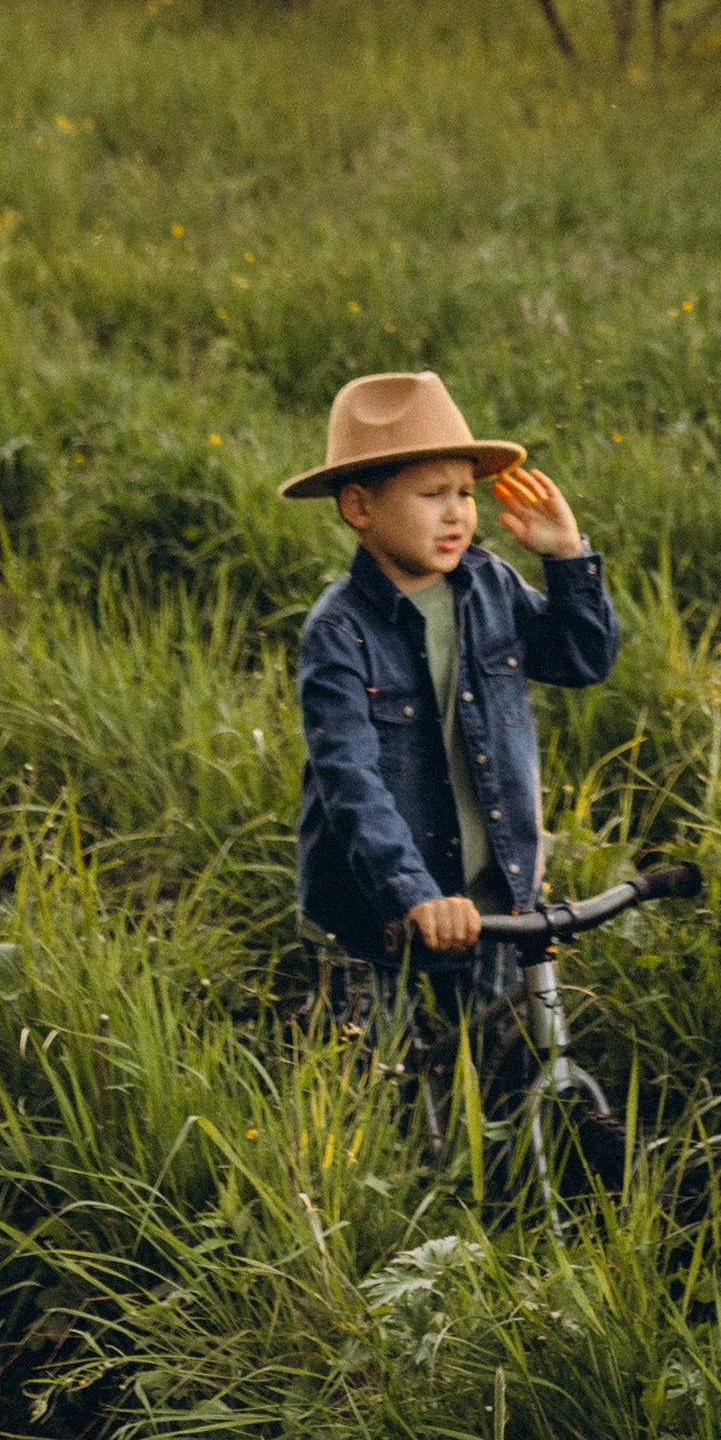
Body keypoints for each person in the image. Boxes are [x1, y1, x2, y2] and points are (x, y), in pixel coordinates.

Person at [282, 368, 618, 998]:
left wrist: (566, 557)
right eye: (432, 494)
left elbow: (583, 659)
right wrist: (414, 892)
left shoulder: (490, 587)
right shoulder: (339, 630)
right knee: (379, 1083)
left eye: (465, 493)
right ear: (359, 507)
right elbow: (349, 779)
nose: (457, 513)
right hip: (377, 923)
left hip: (493, 904)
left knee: (503, 1076)